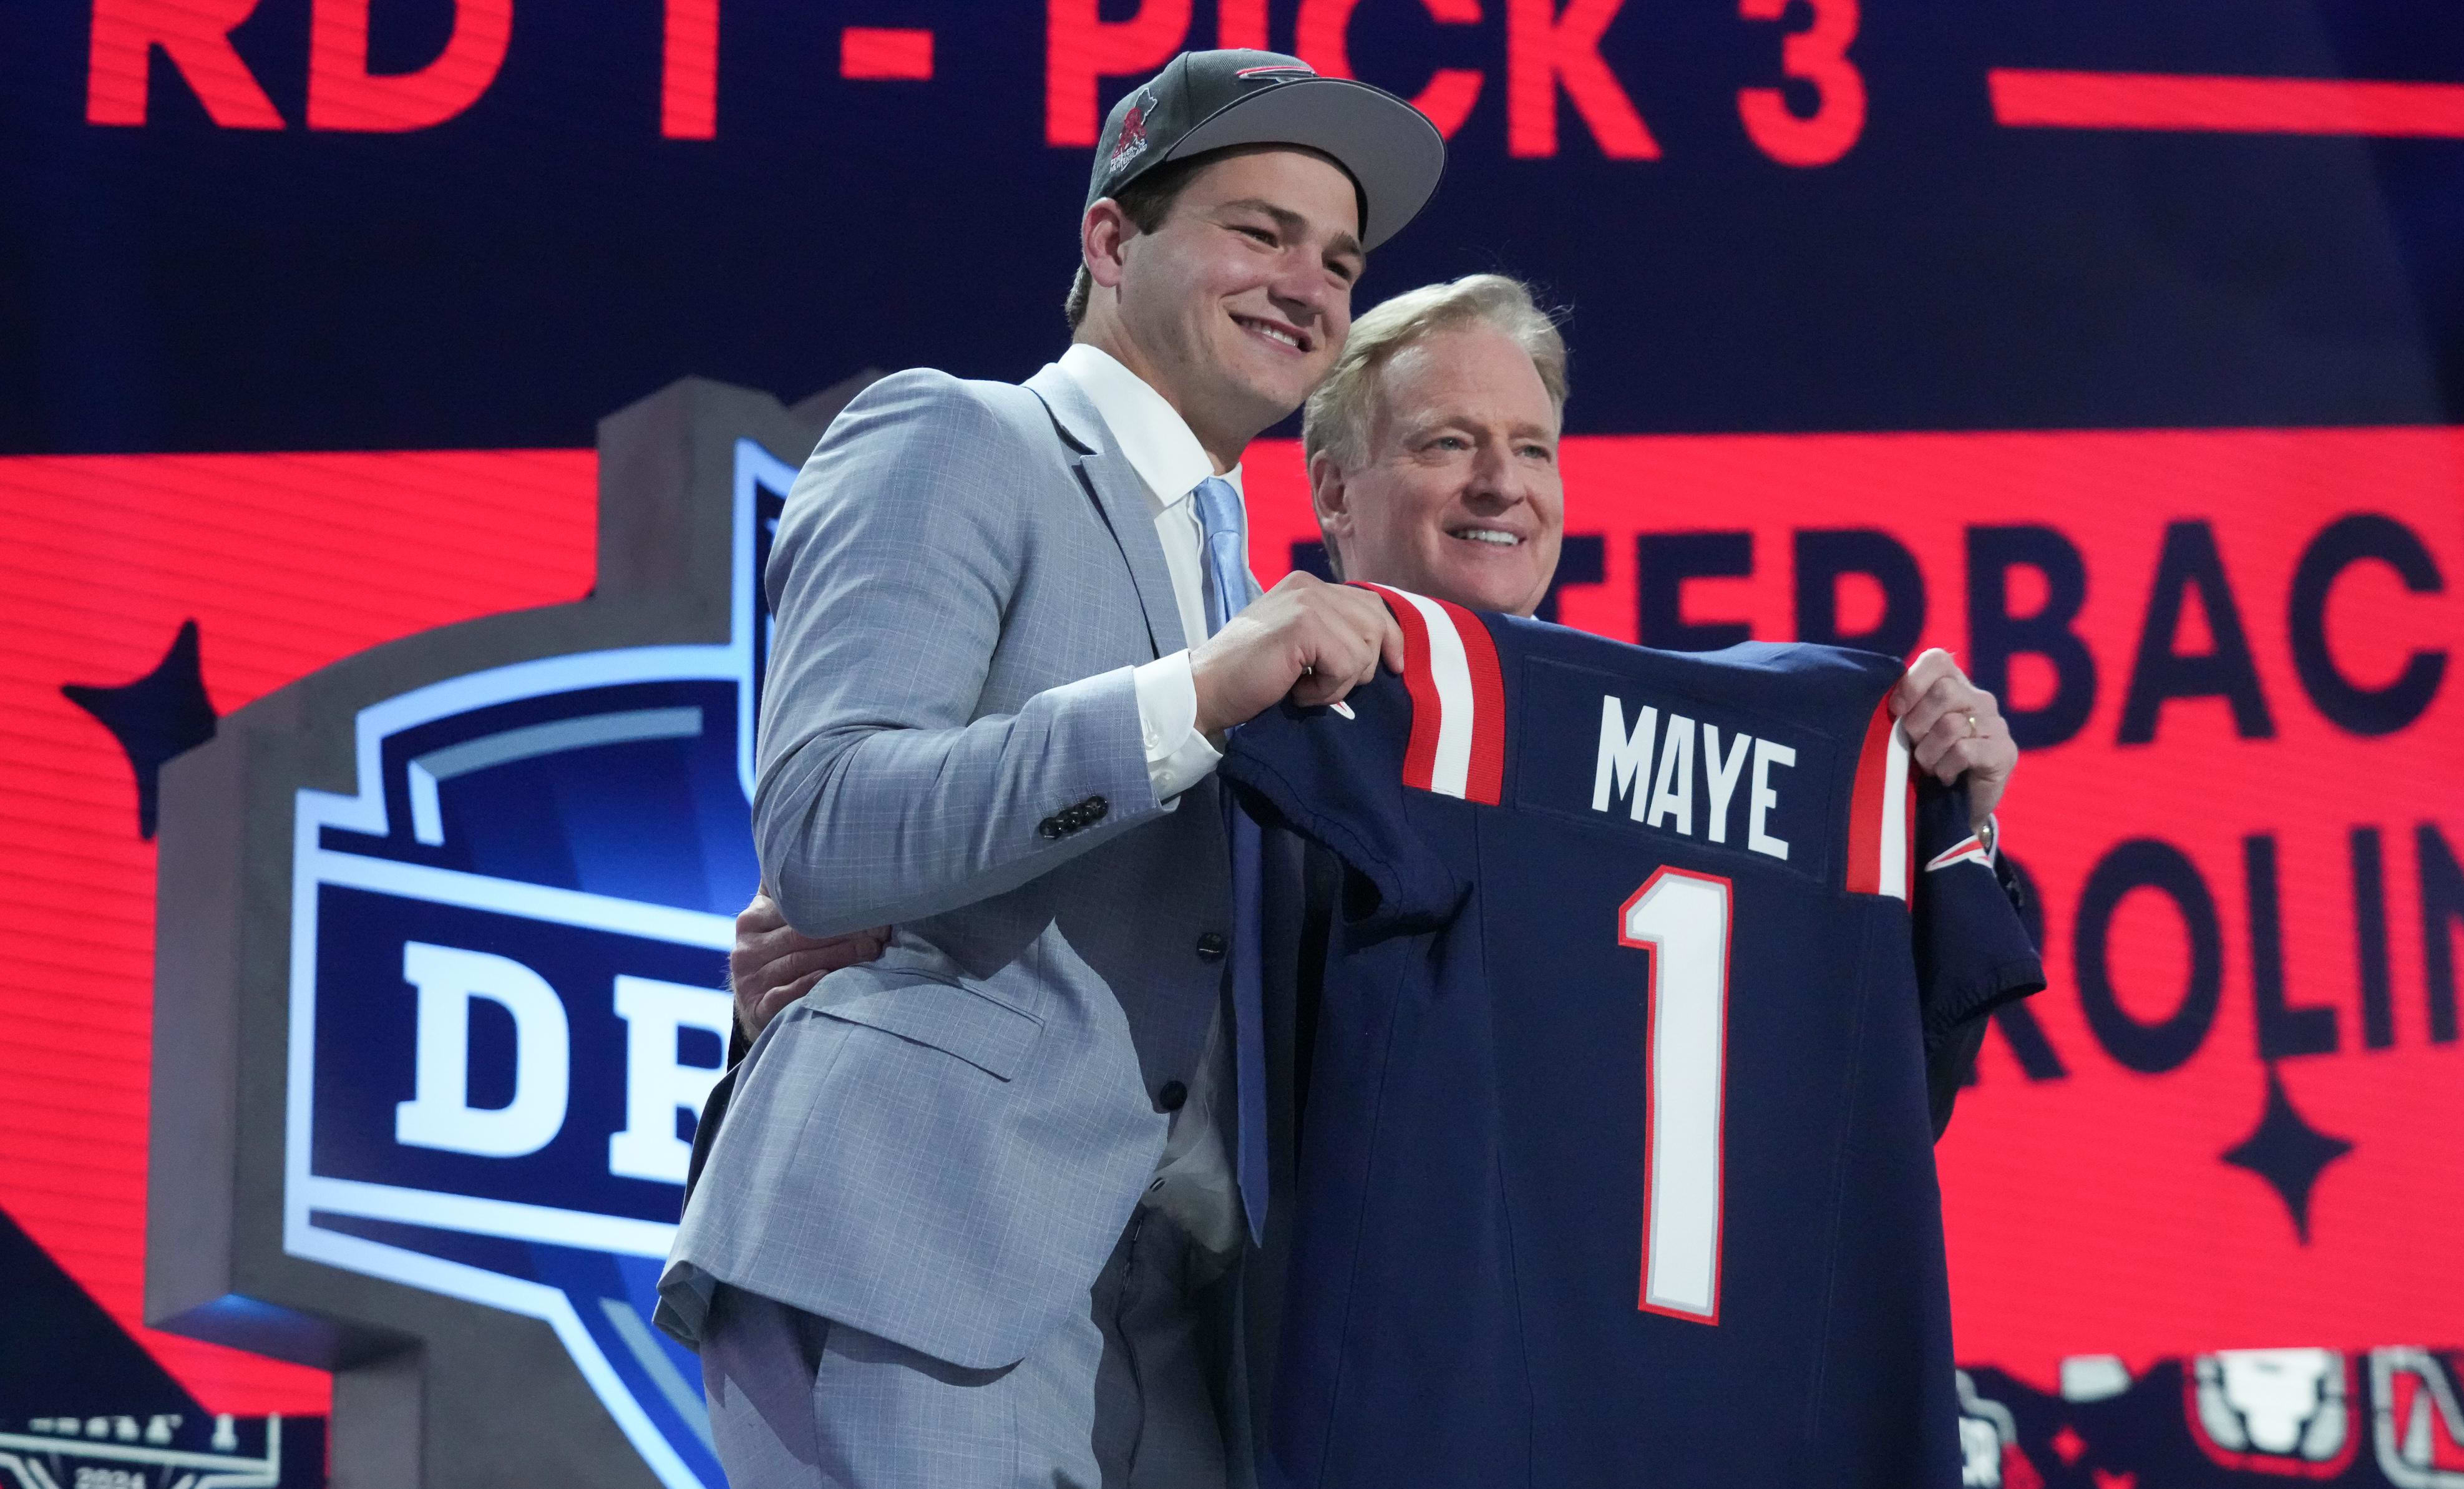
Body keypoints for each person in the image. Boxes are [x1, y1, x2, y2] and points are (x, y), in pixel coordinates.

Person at [658, 51, 1446, 1489]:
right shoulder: (960, 434)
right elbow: (827, 819)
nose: (1308, 283)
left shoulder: (1245, 587)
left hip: (1173, 1321)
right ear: (1109, 240)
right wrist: (1191, 695)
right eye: (1258, 231)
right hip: (923, 1250)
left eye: (1337, 257)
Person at [728, 275, 2023, 1126]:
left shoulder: (1654, 760)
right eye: (1447, 443)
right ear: (1336, 495)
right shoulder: (1243, 710)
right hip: (1242, 1354)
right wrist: (864, 942)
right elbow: (1027, 889)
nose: (1500, 485)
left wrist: (1942, 819)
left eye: (1531, 449)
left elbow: (1844, 1077)